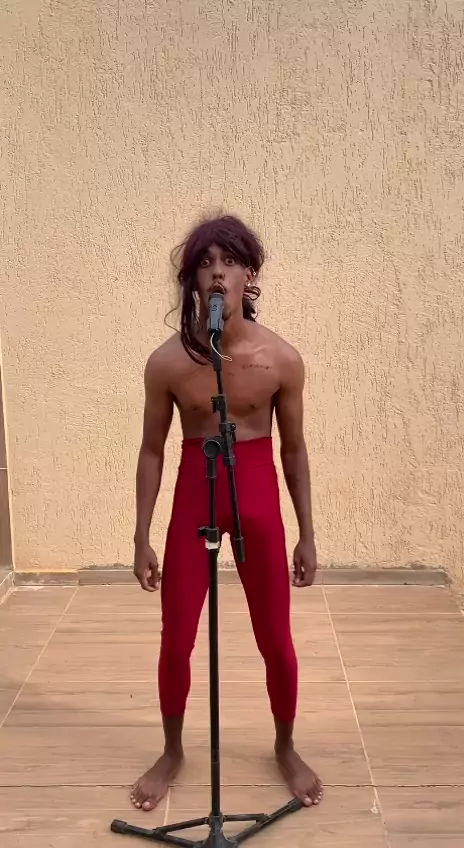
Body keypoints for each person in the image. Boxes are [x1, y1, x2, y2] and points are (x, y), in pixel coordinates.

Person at [130, 214, 322, 812]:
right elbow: (152, 450)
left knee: (276, 637)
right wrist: (141, 536)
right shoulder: (166, 363)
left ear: (250, 276)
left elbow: (293, 449)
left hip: (258, 493)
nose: (218, 273)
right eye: (206, 263)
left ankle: (285, 745)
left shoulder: (281, 359)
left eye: (230, 261)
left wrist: (307, 534)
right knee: (176, 637)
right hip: (197, 488)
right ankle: (172, 750)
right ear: (191, 279)